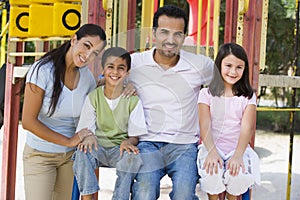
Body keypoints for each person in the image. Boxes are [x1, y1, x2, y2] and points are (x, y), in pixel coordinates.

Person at [128, 5, 214, 200]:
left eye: (177, 34)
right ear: (153, 33)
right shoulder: (135, 63)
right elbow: (105, 81)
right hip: (147, 141)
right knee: (144, 191)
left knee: (184, 193)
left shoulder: (201, 65)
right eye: (164, 32)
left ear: (184, 37)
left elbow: (227, 86)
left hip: (184, 144)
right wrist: (120, 86)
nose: (170, 40)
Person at [21, 23, 107, 200]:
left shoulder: (86, 78)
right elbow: (28, 121)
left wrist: (118, 85)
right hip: (40, 155)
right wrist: (68, 141)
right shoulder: (42, 71)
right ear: (74, 39)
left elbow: (92, 110)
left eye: (95, 53)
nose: (88, 55)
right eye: (86, 46)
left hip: (69, 158)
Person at [72, 47, 147, 200]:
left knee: (132, 157)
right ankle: (87, 196)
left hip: (119, 150)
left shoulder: (133, 100)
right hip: (97, 147)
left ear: (127, 72)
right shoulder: (93, 97)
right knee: (81, 152)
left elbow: (135, 136)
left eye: (121, 68)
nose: (115, 72)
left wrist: (128, 141)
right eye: (110, 67)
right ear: (103, 69)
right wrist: (88, 138)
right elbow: (86, 130)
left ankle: (120, 197)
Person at [197, 43, 261, 200]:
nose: (233, 71)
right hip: (212, 147)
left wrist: (238, 155)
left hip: (237, 149)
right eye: (228, 65)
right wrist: (212, 153)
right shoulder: (206, 94)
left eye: (239, 67)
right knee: (212, 173)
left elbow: (247, 128)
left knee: (237, 174)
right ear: (219, 65)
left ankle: (232, 197)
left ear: (244, 69)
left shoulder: (248, 97)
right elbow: (205, 125)